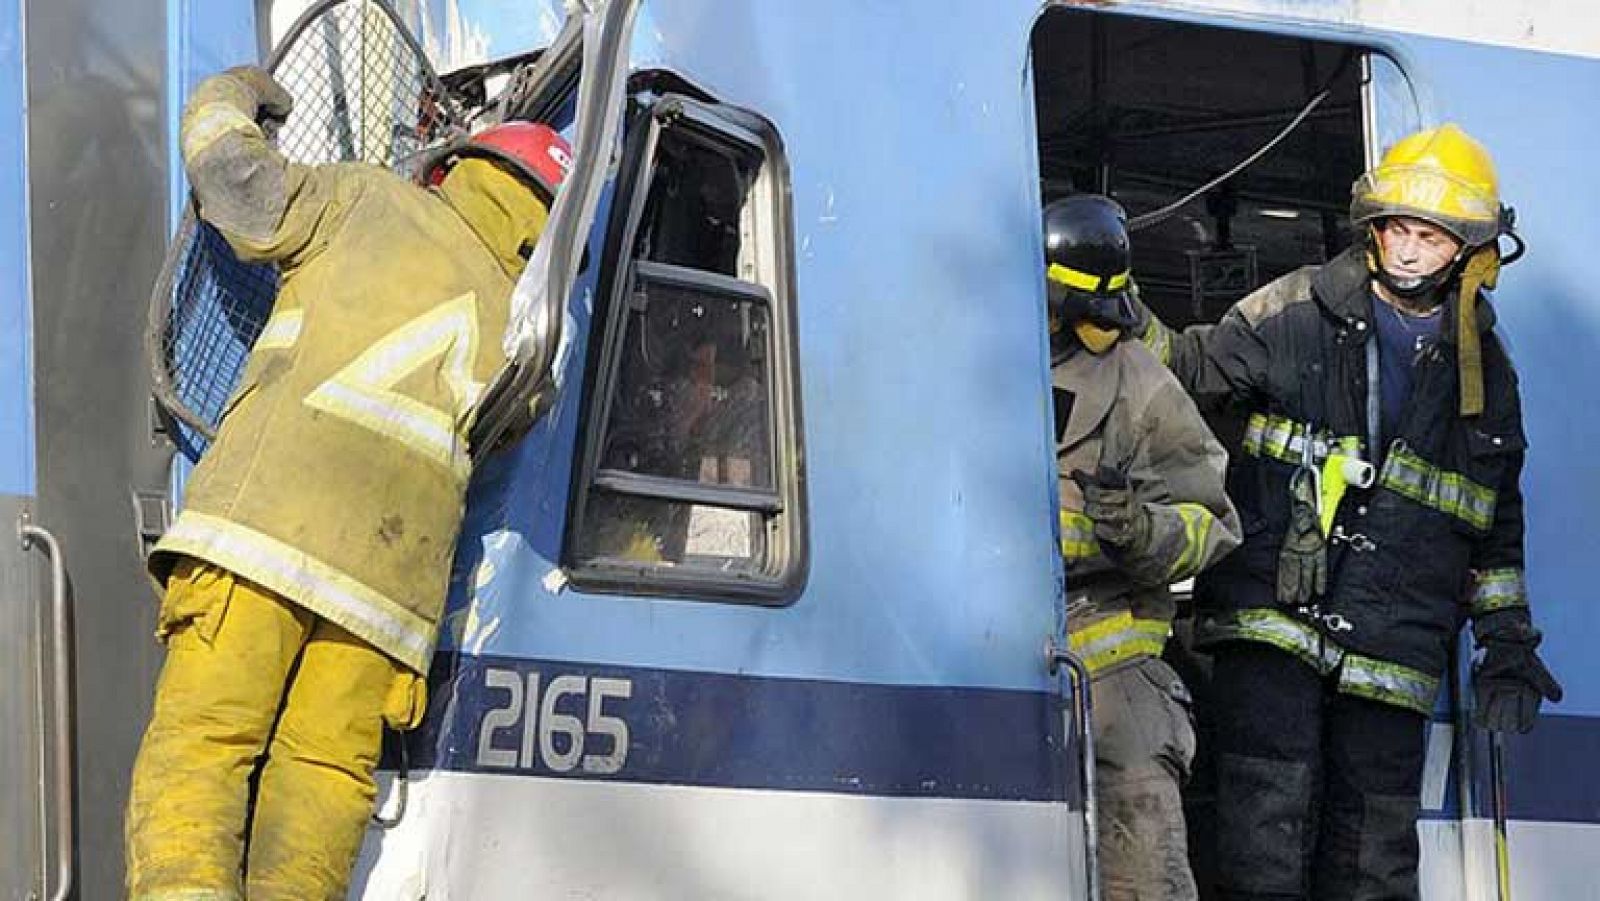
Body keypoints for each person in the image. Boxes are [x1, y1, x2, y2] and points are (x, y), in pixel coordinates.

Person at [125, 65, 571, 900]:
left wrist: (225, 97)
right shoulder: (530, 331)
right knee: (323, 777)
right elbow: (503, 434)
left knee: (204, 745)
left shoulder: (367, 198)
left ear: (453, 169)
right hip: (387, 598)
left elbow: (241, 190)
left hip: (261, 533)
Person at [1134, 123, 1562, 899]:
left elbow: (1494, 516)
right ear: (1373, 226)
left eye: (1428, 235)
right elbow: (1192, 364)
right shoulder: (1294, 307)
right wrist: (1121, 314)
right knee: (1264, 834)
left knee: (1374, 858)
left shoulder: (1486, 371)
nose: (1405, 249)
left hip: (1394, 646)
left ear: (1466, 248)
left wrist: (1506, 640)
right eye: (1397, 227)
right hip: (1273, 617)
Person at [1046, 195, 1241, 900]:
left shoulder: (1139, 382)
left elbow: (1211, 519)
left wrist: (1140, 531)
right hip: (971, 656)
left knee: (1142, 872)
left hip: (1109, 664)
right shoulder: (970, 362)